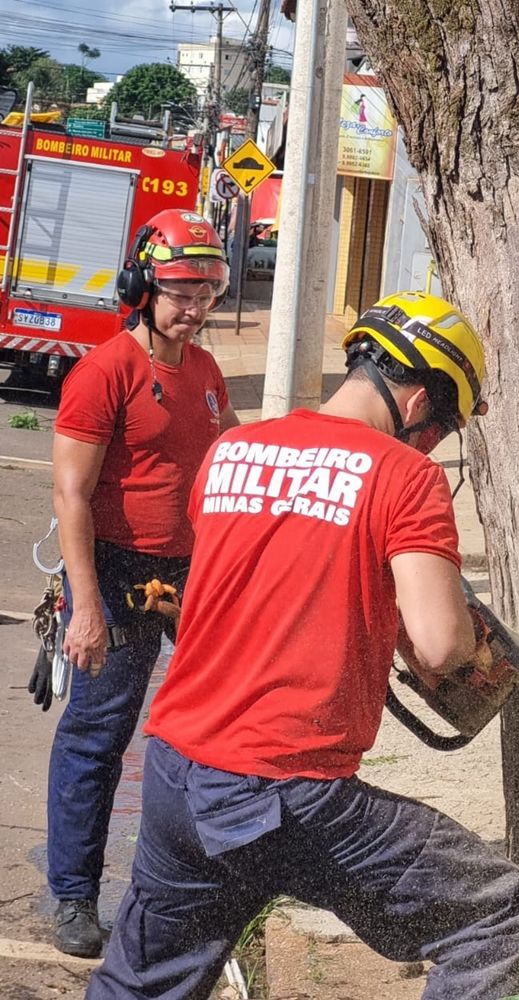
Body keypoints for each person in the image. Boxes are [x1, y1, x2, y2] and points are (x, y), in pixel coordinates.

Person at [85, 291, 519, 1000]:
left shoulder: (232, 450)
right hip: (288, 794)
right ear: (418, 401)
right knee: (495, 912)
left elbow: (266, 582)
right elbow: (444, 644)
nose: (432, 445)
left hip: (178, 772)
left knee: (143, 985)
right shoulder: (405, 476)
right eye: (443, 427)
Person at [46, 208, 239, 958]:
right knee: (98, 736)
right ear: (143, 285)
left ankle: (193, 890)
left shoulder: (206, 372)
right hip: (117, 567)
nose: (194, 309)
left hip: (190, 571)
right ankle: (73, 898)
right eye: (181, 291)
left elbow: (224, 462)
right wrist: (85, 604)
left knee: (217, 725)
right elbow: (70, 496)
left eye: (208, 293)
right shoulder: (105, 372)